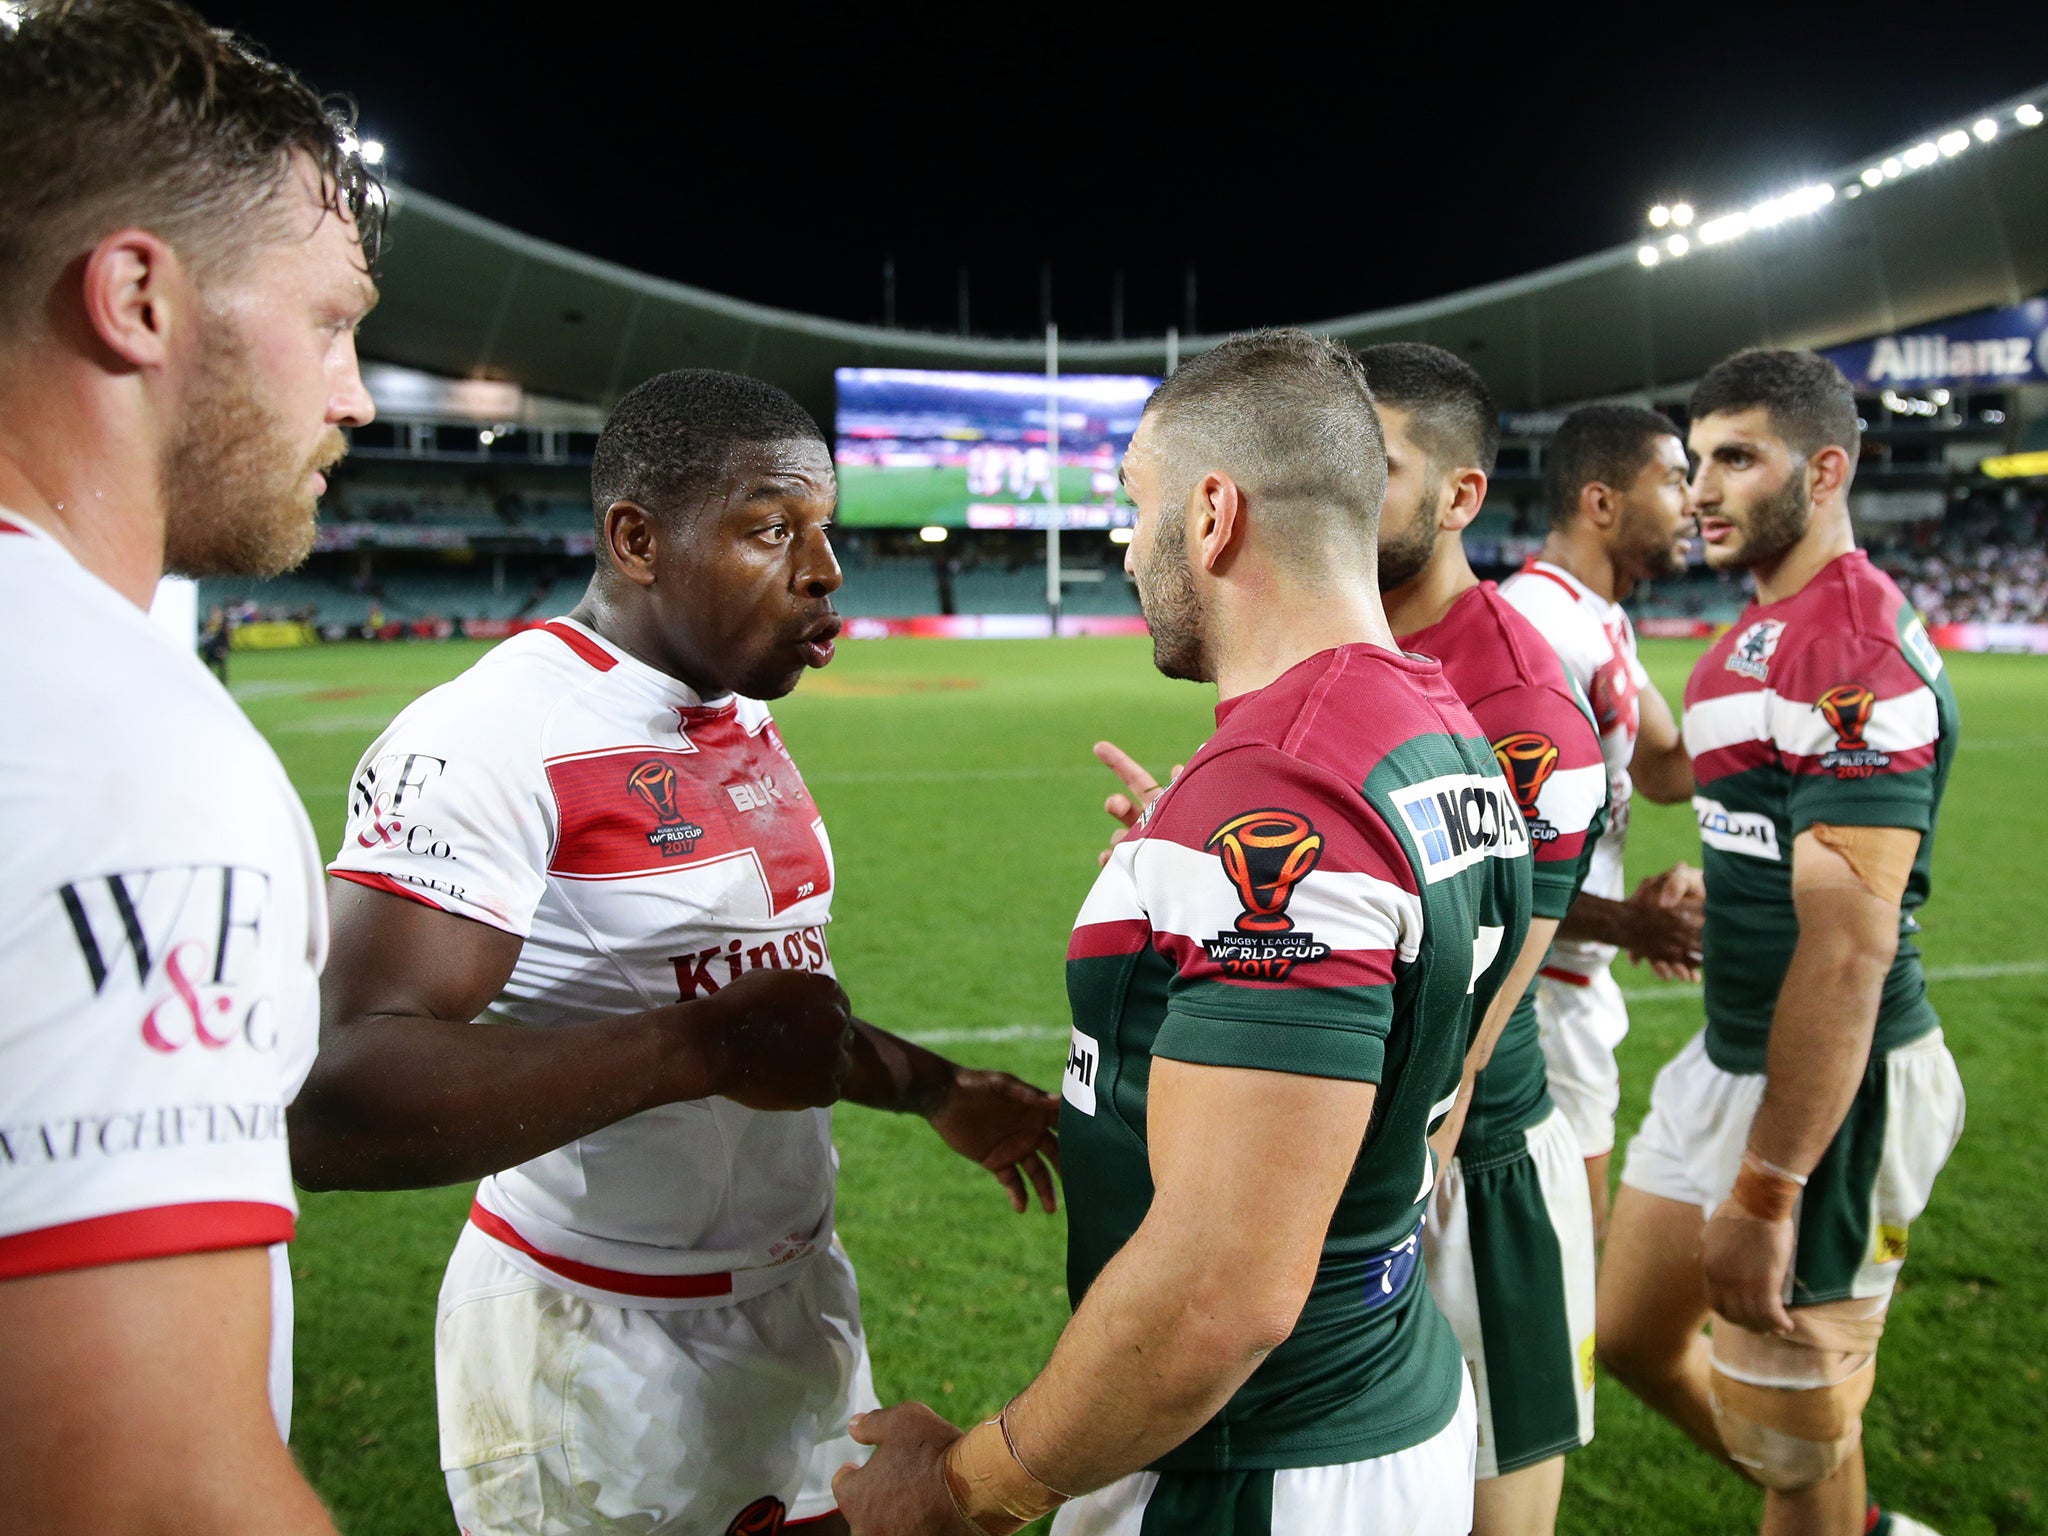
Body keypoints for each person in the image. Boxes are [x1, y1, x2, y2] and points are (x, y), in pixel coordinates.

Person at [295, 368, 1063, 1536]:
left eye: (824, 530)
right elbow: (336, 1094)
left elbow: (759, 1014)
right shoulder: (490, 737)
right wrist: (687, 1050)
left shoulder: (735, 716)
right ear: (637, 538)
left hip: (795, 1302)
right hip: (597, 1345)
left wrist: (934, 1090)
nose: (823, 569)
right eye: (770, 529)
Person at [836, 329, 1530, 1536]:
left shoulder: (1280, 798)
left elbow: (1218, 1290)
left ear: (1211, 515)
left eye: (1132, 505)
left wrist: (960, 1493)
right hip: (1377, 1392)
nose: (1122, 543)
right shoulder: (1433, 726)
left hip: (1252, 1462)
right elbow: (1426, 1067)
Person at [0, 2, 381, 1531]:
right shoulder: (115, 742)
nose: (353, 396)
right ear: (140, 297)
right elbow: (154, 1493)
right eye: (334, 321)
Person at [1597, 350, 1963, 1536]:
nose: (1699, 489)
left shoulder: (1848, 652)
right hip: (1724, 1054)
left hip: (1828, 1098)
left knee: (1792, 1454)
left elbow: (1850, 950)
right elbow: (1770, 830)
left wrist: (1768, 1186)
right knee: (1631, 1338)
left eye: (1735, 459)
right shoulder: (1746, 642)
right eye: (1695, 459)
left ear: (1824, 470)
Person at [1353, 341, 1611, 1536]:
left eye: (1378, 464)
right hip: (1355, 1145)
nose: (1339, 486)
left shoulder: (1515, 699)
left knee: (1491, 1516)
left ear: (1460, 497)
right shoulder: (1341, 648)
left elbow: (1490, 994)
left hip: (1467, 1167)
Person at [1499, 403, 1705, 1238]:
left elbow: (1665, 767)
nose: (1693, 502)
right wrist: (1631, 923)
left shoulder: (1598, 616)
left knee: (1569, 1273)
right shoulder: (1536, 631)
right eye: (1676, 480)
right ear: (1602, 501)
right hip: (1532, 1000)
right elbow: (1490, 866)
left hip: (1577, 985)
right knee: (1559, 1284)